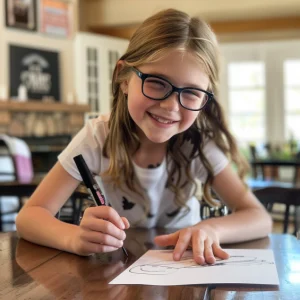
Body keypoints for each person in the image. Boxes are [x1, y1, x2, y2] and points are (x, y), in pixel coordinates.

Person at [16, 8, 272, 265]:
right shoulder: (97, 136)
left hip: (185, 266)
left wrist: (211, 229)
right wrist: (74, 238)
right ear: (124, 78)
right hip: (119, 268)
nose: (171, 106)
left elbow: (258, 217)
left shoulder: (198, 143)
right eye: (157, 82)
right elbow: (30, 216)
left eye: (192, 92)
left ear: (205, 98)